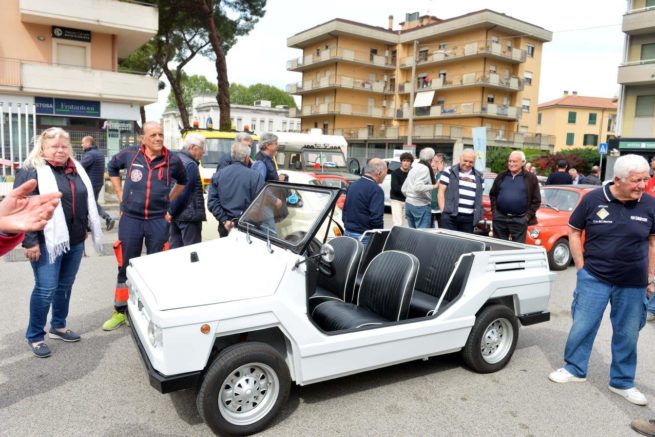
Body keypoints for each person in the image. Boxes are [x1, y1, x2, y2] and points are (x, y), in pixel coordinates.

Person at [548, 154, 655, 407]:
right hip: (594, 277)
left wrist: (651, 277)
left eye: (645, 179)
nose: (642, 185)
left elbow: (653, 242)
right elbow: (574, 231)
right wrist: (581, 268)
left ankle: (622, 382)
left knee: (628, 333)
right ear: (618, 180)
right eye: (636, 180)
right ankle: (574, 368)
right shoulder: (593, 199)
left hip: (633, 281)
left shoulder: (650, 204)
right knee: (583, 325)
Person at [14, 127, 103, 357]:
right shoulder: (32, 170)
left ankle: (58, 326)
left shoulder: (76, 169)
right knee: (46, 289)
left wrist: (84, 228)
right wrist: (30, 242)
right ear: (43, 147)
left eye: (64, 146)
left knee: (65, 285)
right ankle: (35, 335)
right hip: (45, 242)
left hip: (74, 240)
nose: (60, 150)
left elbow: (83, 200)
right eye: (54, 146)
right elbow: (21, 209)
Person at [102, 121, 187, 331]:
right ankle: (120, 311)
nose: (158, 138)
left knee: (155, 268)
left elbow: (183, 182)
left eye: (161, 134)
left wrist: (168, 200)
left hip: (158, 220)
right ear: (143, 138)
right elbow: (112, 167)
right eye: (153, 135)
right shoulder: (130, 154)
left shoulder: (172, 160)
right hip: (131, 219)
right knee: (126, 265)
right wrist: (120, 193)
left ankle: (151, 314)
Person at [207, 142, 264, 235]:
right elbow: (260, 203)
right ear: (247, 158)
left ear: (232, 156)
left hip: (225, 226)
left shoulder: (218, 175)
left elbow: (212, 202)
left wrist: (224, 220)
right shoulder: (255, 176)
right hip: (248, 228)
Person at [489, 150, 541, 243]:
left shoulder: (530, 178)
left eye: (514, 161)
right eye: (510, 161)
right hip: (500, 219)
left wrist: (527, 217)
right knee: (498, 247)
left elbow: (536, 200)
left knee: (518, 248)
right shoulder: (501, 176)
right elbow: (493, 194)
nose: (511, 164)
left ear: (522, 162)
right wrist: (494, 212)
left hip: (519, 220)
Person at [0, 179, 61, 256]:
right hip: (42, 238)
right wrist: (30, 242)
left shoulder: (74, 173)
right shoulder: (29, 172)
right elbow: (21, 204)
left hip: (68, 237)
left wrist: (4, 228)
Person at [168, 134, 206, 248]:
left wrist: (170, 211)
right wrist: (170, 212)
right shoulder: (190, 164)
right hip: (189, 216)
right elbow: (183, 192)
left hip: (175, 215)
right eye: (202, 150)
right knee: (191, 251)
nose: (203, 153)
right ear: (192, 147)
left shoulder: (175, 159)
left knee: (175, 250)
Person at [437, 148, 484, 233]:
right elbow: (441, 192)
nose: (467, 164)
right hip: (450, 216)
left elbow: (480, 196)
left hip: (469, 218)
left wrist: (478, 215)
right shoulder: (449, 171)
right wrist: (443, 212)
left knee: (464, 241)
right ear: (460, 158)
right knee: (448, 240)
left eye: (471, 162)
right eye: (465, 160)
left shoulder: (479, 176)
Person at [342, 158, 386, 243]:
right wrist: (379, 237)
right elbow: (376, 219)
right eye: (385, 172)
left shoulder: (353, 185)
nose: (386, 175)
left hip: (347, 232)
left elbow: (345, 209)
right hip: (364, 236)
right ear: (379, 172)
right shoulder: (376, 190)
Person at [80, 136, 115, 230]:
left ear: (88, 143)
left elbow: (79, 167)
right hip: (98, 183)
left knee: (90, 204)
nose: (81, 145)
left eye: (83, 143)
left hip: (90, 184)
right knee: (91, 203)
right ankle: (89, 225)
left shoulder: (90, 155)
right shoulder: (99, 153)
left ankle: (107, 217)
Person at [402, 148, 438, 229]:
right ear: (431, 159)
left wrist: (410, 197)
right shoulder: (424, 168)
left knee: (414, 233)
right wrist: (434, 186)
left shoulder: (414, 167)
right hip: (421, 205)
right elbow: (418, 187)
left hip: (409, 204)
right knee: (423, 234)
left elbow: (403, 188)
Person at [390, 152, 413, 227]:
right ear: (401, 162)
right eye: (404, 160)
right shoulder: (395, 173)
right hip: (396, 199)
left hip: (407, 200)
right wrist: (409, 190)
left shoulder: (412, 173)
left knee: (405, 224)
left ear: (410, 162)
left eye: (408, 161)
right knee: (398, 223)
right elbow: (395, 188)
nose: (406, 163)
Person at [430, 153, 446, 226]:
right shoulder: (432, 173)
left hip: (440, 208)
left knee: (442, 228)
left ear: (442, 163)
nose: (433, 163)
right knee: (428, 228)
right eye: (432, 161)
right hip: (430, 207)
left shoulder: (445, 174)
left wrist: (441, 171)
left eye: (436, 162)